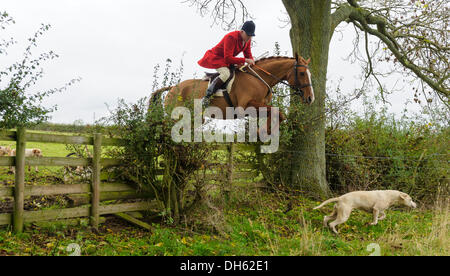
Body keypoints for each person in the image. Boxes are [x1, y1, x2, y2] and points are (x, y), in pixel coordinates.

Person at [198, 20, 256, 108]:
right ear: (242, 32)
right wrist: (245, 60)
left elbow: (248, 54)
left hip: (227, 60)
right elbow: (228, 58)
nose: (249, 38)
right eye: (248, 35)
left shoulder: (247, 40)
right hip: (216, 58)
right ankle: (207, 97)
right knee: (226, 74)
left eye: (251, 36)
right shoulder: (231, 37)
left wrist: (252, 61)